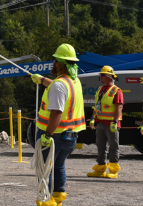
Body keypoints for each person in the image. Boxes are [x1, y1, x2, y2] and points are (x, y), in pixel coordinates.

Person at [30, 43, 86, 206]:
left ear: (60, 63)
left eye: (55, 61)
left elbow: (56, 112)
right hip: (70, 136)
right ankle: (58, 196)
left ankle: (46, 200)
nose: (52, 63)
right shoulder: (73, 82)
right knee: (59, 165)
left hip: (55, 135)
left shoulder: (59, 85)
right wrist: (42, 80)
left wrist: (47, 135)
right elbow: (58, 87)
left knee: (44, 169)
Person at [87, 66, 123, 179]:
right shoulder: (100, 90)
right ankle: (101, 167)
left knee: (113, 145)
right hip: (100, 122)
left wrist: (115, 122)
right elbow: (96, 106)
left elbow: (119, 107)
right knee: (100, 145)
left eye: (102, 75)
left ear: (108, 77)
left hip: (111, 124)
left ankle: (113, 169)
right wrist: (93, 118)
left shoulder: (116, 91)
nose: (100, 77)